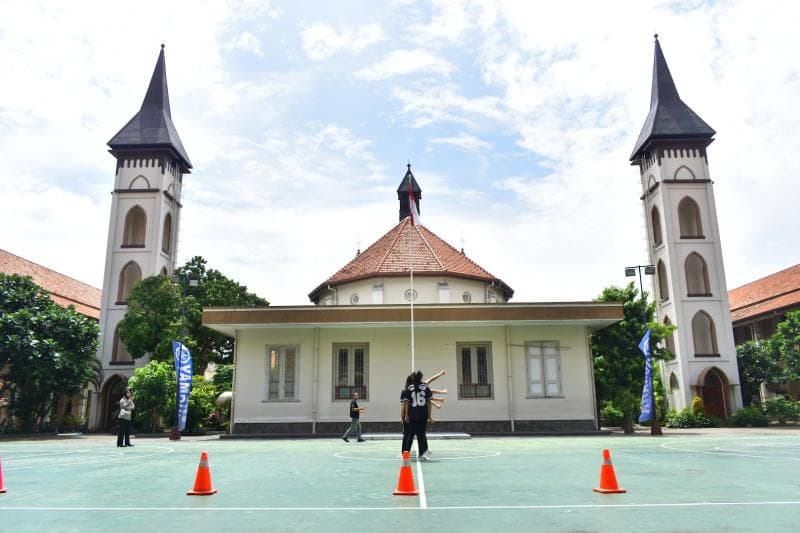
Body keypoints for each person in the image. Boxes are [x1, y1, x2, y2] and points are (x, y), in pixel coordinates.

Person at [401, 371, 433, 460]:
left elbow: (406, 403)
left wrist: (406, 415)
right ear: (421, 378)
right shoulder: (426, 388)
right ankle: (421, 454)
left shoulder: (409, 388)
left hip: (413, 414)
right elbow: (429, 403)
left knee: (410, 435)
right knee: (421, 434)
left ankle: (406, 455)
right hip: (423, 414)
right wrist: (430, 416)